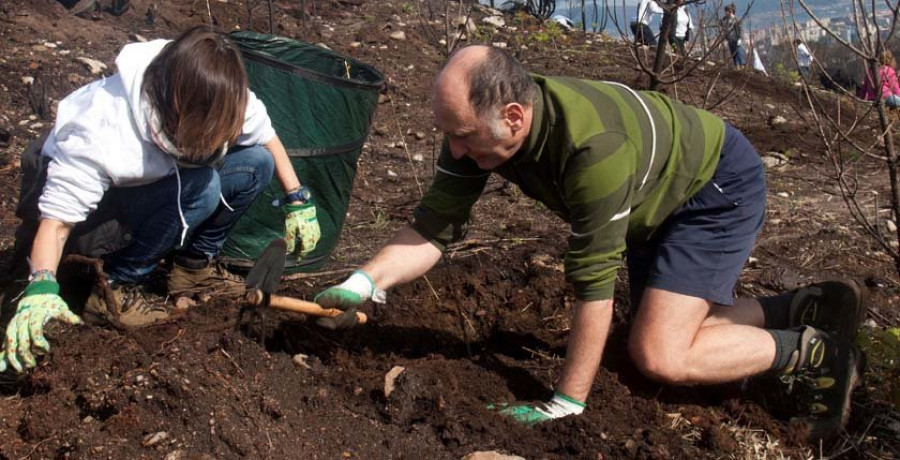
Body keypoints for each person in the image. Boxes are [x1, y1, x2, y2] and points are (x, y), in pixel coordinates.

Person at [315, 45, 865, 442]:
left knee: (659, 354)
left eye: (461, 135)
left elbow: (592, 282)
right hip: (656, 188)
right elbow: (433, 228)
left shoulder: (591, 150)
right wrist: (363, 282)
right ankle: (795, 307)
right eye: (448, 134)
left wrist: (566, 403)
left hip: (713, 187)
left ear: (512, 116)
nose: (454, 150)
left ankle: (814, 353)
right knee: (657, 329)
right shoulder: (480, 134)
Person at [0, 26, 321, 373]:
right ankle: (115, 287)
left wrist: (297, 199)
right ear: (181, 109)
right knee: (203, 185)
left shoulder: (216, 90)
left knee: (256, 163)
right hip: (94, 215)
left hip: (161, 181)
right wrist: (42, 284)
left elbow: (267, 136)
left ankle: (191, 269)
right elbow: (57, 223)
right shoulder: (103, 129)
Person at [721, 4, 745, 69]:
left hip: (736, 39)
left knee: (739, 53)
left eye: (727, 11)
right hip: (730, 40)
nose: (725, 12)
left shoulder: (735, 19)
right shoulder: (724, 20)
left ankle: (742, 67)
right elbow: (722, 26)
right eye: (725, 11)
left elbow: (740, 29)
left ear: (730, 11)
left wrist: (740, 38)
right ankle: (736, 67)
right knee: (733, 54)